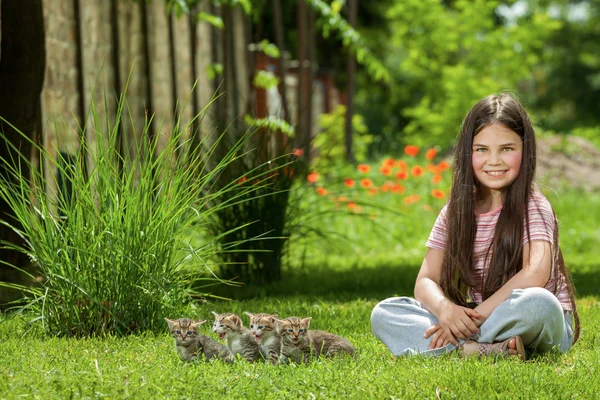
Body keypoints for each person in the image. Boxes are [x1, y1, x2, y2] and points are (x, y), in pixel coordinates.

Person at [370, 93, 580, 359]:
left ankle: (463, 346)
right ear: (467, 152)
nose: (494, 160)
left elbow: (535, 273)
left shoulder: (534, 205)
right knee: (385, 312)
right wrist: (446, 310)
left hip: (527, 321)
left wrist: (473, 320)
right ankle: (488, 349)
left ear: (525, 151)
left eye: (507, 148)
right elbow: (425, 281)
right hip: (474, 317)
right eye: (482, 149)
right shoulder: (456, 211)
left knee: (539, 304)